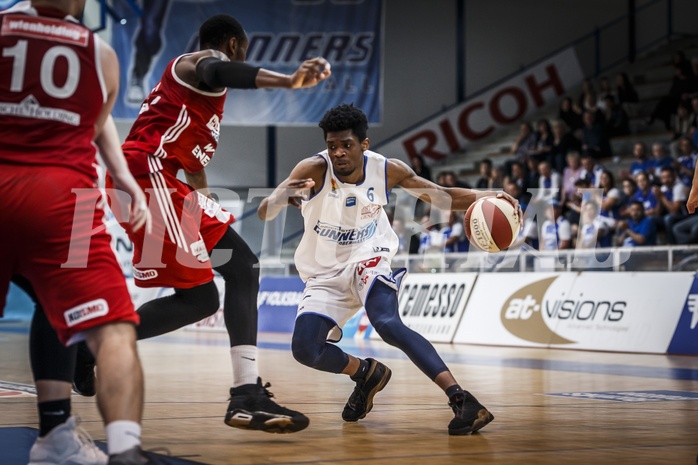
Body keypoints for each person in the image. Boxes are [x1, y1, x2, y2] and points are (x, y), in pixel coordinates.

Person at [73, 14, 331, 434]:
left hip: (170, 185)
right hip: (145, 176)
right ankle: (95, 345)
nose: (242, 58)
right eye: (243, 51)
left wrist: (205, 199)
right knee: (203, 295)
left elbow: (192, 165)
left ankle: (245, 395)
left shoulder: (197, 107)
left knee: (236, 273)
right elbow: (216, 68)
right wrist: (288, 82)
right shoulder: (196, 64)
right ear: (232, 44)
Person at [258, 104, 521, 435]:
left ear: (364, 145)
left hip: (370, 255)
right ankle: (366, 373)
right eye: (332, 145)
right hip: (324, 272)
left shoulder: (387, 170)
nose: (338, 152)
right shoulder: (313, 169)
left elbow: (441, 197)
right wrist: (282, 195)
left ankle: (462, 400)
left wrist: (491, 195)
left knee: (387, 323)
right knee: (305, 349)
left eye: (346, 145)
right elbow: (265, 212)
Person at [0, 1, 154, 463]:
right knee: (111, 330)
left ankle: (58, 432)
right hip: (65, 200)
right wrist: (123, 177)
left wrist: (123, 175)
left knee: (57, 311)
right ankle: (125, 450)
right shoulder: (99, 52)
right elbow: (94, 118)